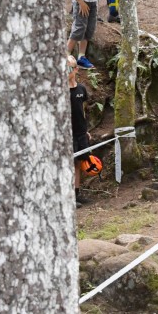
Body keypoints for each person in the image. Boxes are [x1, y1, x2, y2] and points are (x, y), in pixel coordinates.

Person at [68, 55, 92, 207]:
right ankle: (68, 196)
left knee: (79, 163)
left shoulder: (81, 89)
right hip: (67, 134)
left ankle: (76, 193)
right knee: (69, 164)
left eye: (70, 67)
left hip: (80, 132)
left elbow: (82, 110)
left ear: (76, 69)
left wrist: (86, 130)